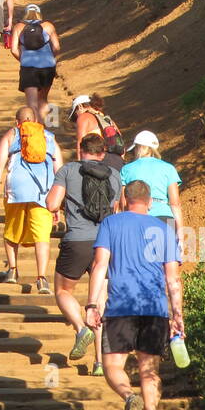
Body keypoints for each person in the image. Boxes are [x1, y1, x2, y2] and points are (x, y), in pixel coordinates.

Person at [84, 178, 184, 410]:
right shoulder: (164, 229)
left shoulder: (110, 223)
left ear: (125, 200)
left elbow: (100, 266)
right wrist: (177, 315)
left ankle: (130, 398)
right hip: (154, 308)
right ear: (150, 203)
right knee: (149, 369)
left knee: (112, 365)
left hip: (120, 307)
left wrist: (92, 304)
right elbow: (172, 279)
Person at [46, 132, 121, 376]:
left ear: (81, 151)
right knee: (98, 302)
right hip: (106, 243)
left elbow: (51, 204)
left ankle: (80, 329)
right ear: (102, 154)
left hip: (77, 240)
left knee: (63, 291)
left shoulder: (68, 171)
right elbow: (116, 209)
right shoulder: (116, 176)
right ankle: (99, 363)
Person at [0, 107, 63, 293]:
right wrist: (58, 205)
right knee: (42, 236)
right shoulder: (49, 137)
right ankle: (42, 278)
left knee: (12, 230)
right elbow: (60, 171)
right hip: (43, 193)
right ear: (36, 120)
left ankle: (12, 271)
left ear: (17, 122)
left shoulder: (12, 134)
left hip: (16, 190)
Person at [120, 131, 184, 247]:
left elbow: (123, 203)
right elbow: (175, 203)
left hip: (137, 218)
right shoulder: (168, 168)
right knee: (166, 261)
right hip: (165, 218)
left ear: (138, 148)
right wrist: (180, 233)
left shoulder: (126, 169)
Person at [11, 3, 60, 126]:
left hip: (29, 68)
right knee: (43, 99)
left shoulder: (18, 27)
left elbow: (13, 49)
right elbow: (57, 47)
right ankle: (46, 128)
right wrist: (50, 58)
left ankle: (37, 129)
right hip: (48, 67)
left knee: (32, 104)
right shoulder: (48, 26)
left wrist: (23, 59)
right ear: (39, 14)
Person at [70, 93, 125, 170]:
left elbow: (80, 145)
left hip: (98, 160)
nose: (76, 119)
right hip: (118, 161)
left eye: (75, 114)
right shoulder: (107, 120)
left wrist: (80, 167)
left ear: (80, 106)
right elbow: (120, 142)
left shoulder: (83, 117)